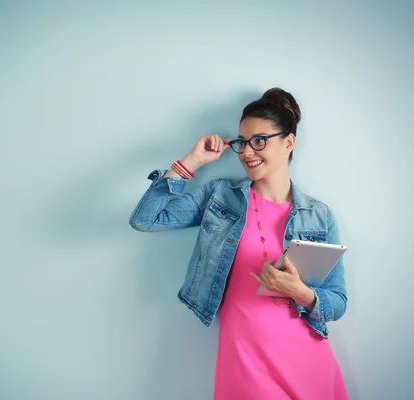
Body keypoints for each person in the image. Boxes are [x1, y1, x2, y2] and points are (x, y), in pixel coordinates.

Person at [129, 88, 348, 399]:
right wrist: (191, 162)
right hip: (245, 361)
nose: (247, 152)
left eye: (260, 141)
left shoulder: (319, 216)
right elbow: (146, 219)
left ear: (289, 141)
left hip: (307, 361)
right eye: (243, 143)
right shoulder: (221, 197)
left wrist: (299, 292)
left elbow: (337, 302)